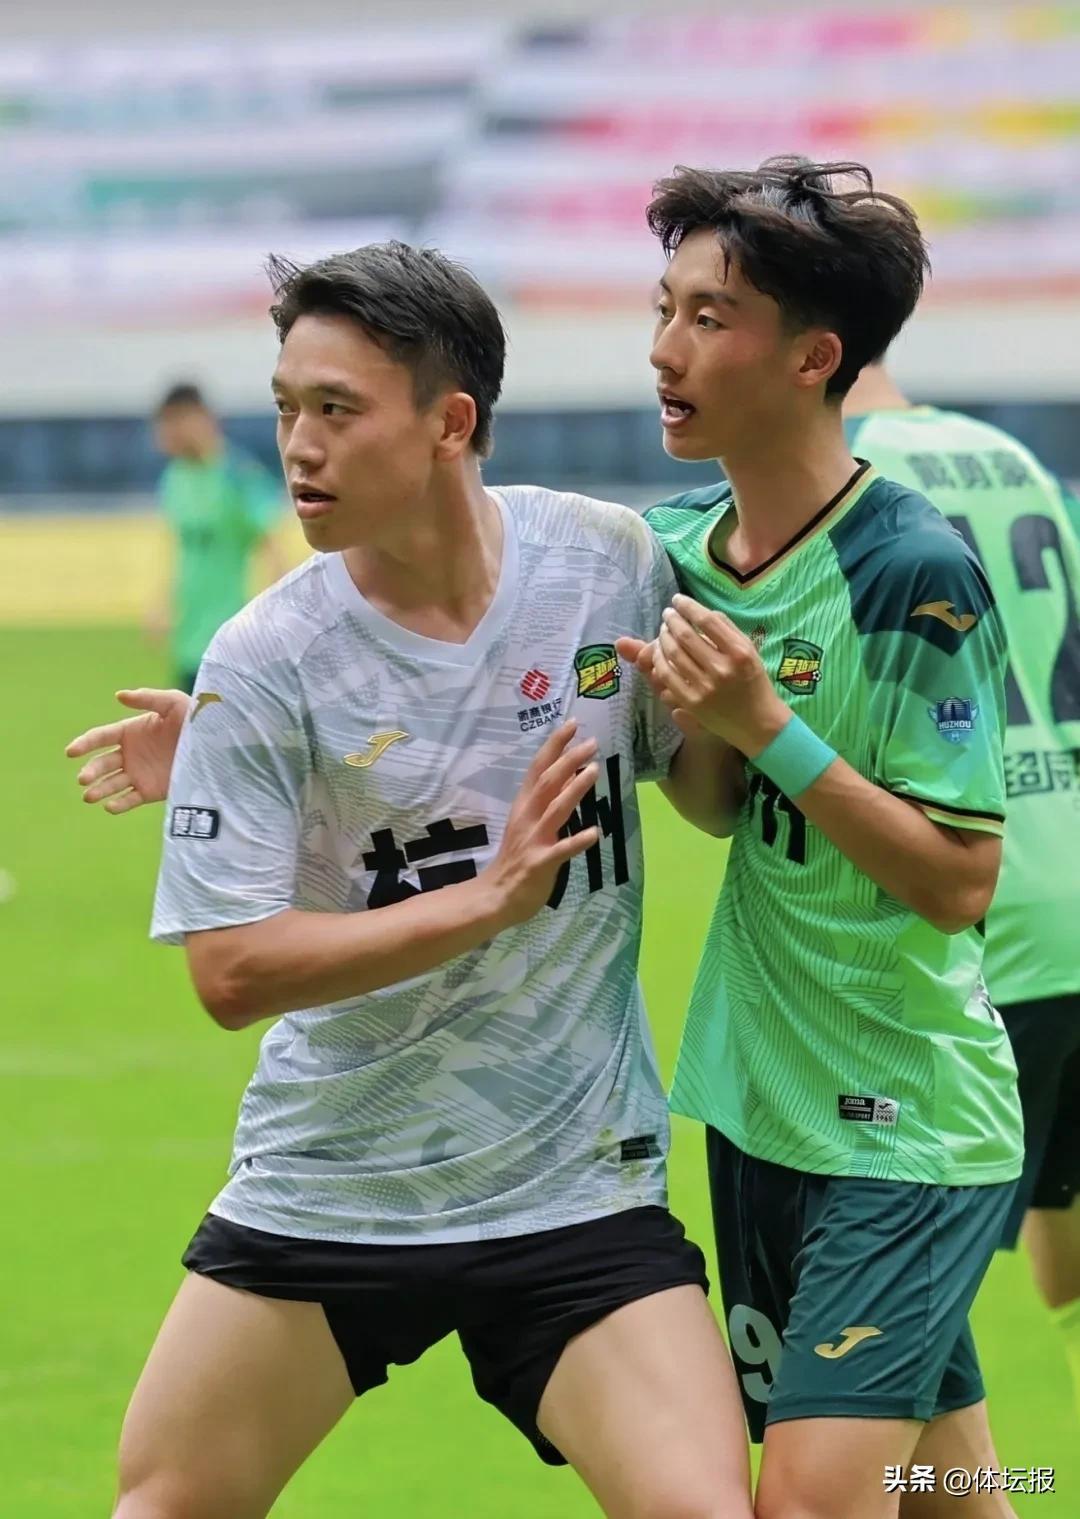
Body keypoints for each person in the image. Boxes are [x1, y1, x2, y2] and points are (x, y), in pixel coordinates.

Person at [67, 242, 752, 1519]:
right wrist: (483, 901)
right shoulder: (266, 659)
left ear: (450, 423)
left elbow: (707, 801)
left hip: (573, 1188)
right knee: (165, 1501)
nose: (299, 446)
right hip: (336, 1183)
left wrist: (726, 722)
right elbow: (231, 974)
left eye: (337, 409)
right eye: (286, 408)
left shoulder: (606, 564)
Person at [616, 159, 1023, 1519]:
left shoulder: (911, 570)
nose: (666, 349)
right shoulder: (680, 551)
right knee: (949, 1485)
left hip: (904, 1119)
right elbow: (721, 808)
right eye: (664, 308)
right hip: (761, 1102)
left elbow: (959, 878)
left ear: (814, 357)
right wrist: (711, 735)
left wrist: (766, 723)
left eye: (709, 317)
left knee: (805, 1500)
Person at [843, 360, 1080, 1427]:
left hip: (978, 920)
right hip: (1069, 876)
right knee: (1068, 1243)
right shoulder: (1010, 455)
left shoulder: (845, 476)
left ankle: (937, 1490)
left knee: (890, 1303)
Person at [150, 382, 286, 692]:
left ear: (197, 419)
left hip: (230, 643)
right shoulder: (175, 476)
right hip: (187, 641)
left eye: (170, 423)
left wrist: (277, 621)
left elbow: (272, 549)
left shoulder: (239, 475)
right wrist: (163, 604)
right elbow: (180, 550)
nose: (163, 435)